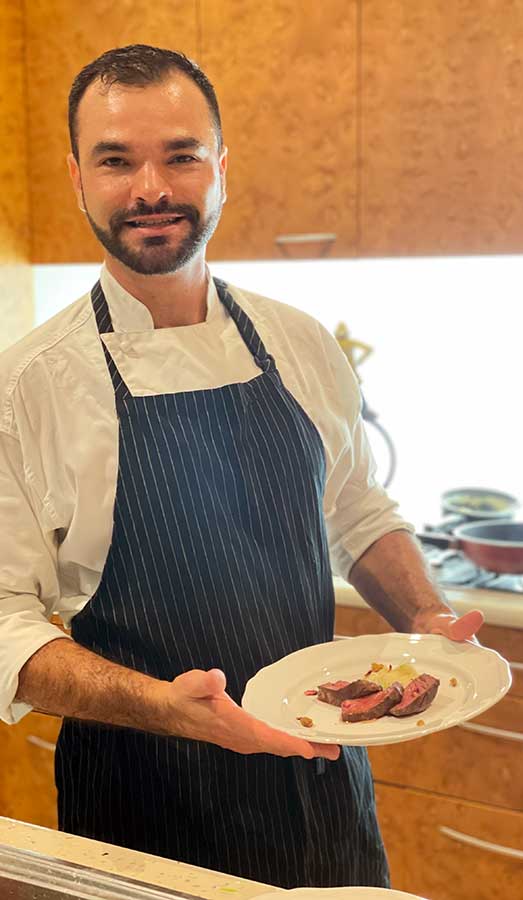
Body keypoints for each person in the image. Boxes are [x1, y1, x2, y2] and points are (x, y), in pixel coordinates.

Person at [0, 45, 483, 889]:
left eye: (180, 154)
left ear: (220, 168)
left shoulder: (300, 342)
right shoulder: (28, 386)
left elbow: (356, 508)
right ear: (79, 177)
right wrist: (165, 707)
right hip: (139, 800)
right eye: (117, 160)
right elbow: (5, 623)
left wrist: (428, 616)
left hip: (324, 772)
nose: (151, 187)